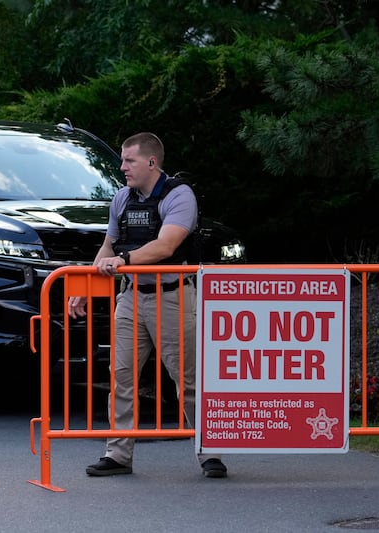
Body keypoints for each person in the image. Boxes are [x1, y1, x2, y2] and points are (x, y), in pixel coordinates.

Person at [68, 132, 227, 478]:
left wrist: (122, 260)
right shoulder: (121, 199)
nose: (122, 167)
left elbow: (165, 246)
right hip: (130, 297)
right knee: (120, 376)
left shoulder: (179, 196)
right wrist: (86, 284)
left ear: (152, 163)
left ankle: (209, 453)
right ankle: (118, 454)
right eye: (123, 160)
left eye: (130, 160)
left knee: (188, 379)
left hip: (173, 296)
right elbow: (108, 247)